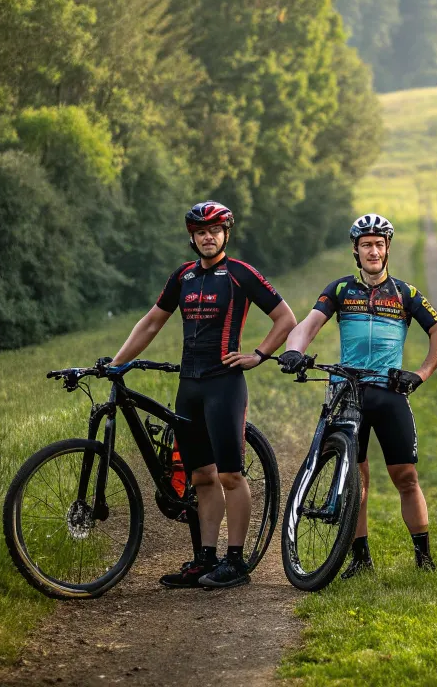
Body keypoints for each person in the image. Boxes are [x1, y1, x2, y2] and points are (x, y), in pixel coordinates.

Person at [111, 200, 296, 590]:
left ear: (226, 233)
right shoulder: (183, 277)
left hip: (224, 384)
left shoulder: (240, 273)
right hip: (189, 386)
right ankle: (205, 559)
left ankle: (236, 562)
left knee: (229, 474)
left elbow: (285, 318)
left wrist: (259, 355)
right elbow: (151, 323)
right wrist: (117, 363)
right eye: (200, 232)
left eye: (214, 230)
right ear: (192, 237)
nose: (207, 237)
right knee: (200, 476)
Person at [278, 213, 437, 576]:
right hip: (347, 392)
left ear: (387, 249)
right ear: (355, 252)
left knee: (405, 476)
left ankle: (424, 558)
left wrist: (420, 374)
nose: (373, 251)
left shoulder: (405, 293)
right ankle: (360, 557)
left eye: (379, 244)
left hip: (389, 393)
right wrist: (294, 349)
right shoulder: (341, 290)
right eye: (366, 245)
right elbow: (308, 325)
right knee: (354, 478)